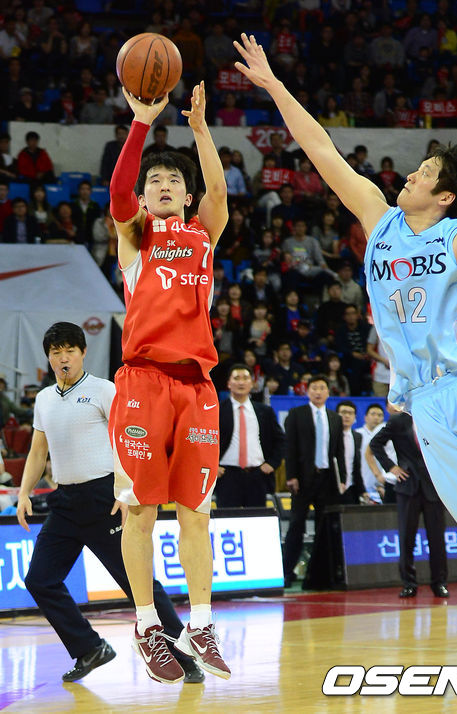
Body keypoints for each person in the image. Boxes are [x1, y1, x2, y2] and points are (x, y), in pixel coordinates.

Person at [234, 33, 457, 579]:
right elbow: (321, 150)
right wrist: (275, 86)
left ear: (446, 196)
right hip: (423, 404)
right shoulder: (378, 220)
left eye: (425, 173)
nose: (411, 174)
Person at [108, 82, 231, 681]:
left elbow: (220, 194)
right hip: (143, 383)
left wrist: (201, 132)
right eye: (154, 180)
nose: (162, 184)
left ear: (185, 195)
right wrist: (140, 123)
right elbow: (117, 194)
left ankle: (200, 625)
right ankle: (146, 625)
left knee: (196, 513)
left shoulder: (203, 233)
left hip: (197, 387)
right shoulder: (137, 237)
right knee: (141, 511)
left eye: (172, 180)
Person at [16, 322, 203, 683]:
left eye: (70, 350)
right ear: (49, 358)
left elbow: (127, 441)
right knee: (40, 580)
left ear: (83, 353)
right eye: (56, 352)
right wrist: (24, 492)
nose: (63, 358)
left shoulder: (104, 390)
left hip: (105, 499)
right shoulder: (44, 399)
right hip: (65, 502)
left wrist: (126, 488)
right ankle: (89, 648)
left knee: (138, 583)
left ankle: (185, 657)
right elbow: (38, 451)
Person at [369, 412, 449, 598]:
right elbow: (375, 444)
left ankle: (440, 583)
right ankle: (409, 583)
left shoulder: (435, 416)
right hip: (407, 486)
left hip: (434, 486)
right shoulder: (398, 420)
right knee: (406, 538)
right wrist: (391, 467)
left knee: (437, 538)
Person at [282, 374, 345, 588]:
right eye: (314, 388)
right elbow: (290, 447)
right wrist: (291, 476)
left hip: (327, 478)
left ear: (328, 392)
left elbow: (339, 451)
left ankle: (320, 574)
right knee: (296, 525)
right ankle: (287, 572)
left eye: (322, 388)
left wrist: (342, 479)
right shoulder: (296, 414)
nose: (318, 392)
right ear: (307, 392)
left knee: (324, 526)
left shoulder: (335, 418)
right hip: (302, 479)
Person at [217, 364, 285, 507]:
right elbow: (206, 442)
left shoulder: (264, 411)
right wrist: (213, 466)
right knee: (228, 517)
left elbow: (280, 440)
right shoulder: (217, 410)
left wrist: (272, 463)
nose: (241, 382)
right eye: (236, 378)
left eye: (245, 378)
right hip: (227, 475)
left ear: (252, 383)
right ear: (228, 383)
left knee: (256, 517)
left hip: (257, 475)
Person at [335, 401, 368, 504]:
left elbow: (356, 466)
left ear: (355, 417)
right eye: (343, 412)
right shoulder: (330, 435)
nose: (347, 416)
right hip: (333, 488)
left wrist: (362, 490)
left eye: (350, 413)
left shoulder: (357, 437)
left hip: (351, 489)